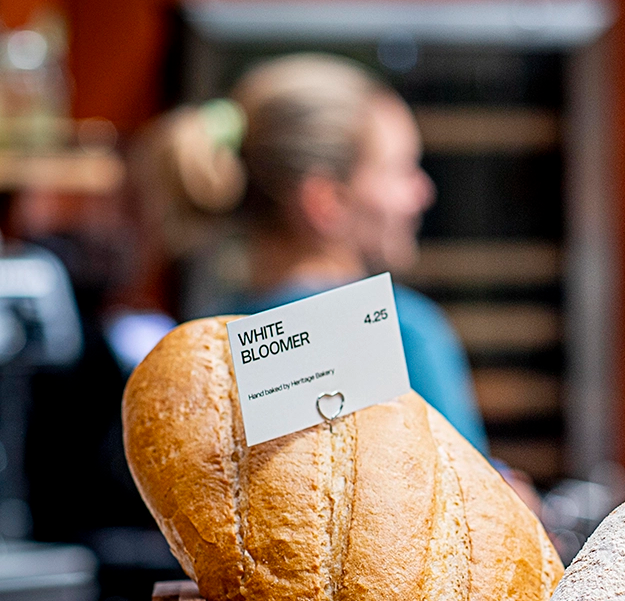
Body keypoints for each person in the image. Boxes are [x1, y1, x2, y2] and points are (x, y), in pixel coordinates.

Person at [175, 53, 490, 454]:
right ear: (326, 202)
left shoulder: (203, 347)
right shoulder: (403, 335)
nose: (423, 192)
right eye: (402, 169)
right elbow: (467, 490)